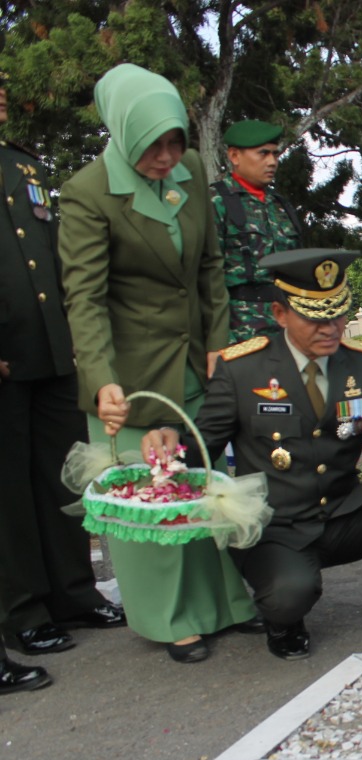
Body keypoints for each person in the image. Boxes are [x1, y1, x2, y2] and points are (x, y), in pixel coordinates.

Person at [142, 249, 362, 661]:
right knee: (289, 596)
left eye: (338, 315)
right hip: (277, 527)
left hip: (344, 515)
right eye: (315, 318)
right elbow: (203, 447)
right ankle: (284, 618)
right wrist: (171, 441)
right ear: (280, 314)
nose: (331, 329)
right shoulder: (242, 370)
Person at [60, 63, 257, 664]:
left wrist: (217, 339)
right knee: (150, 498)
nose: (167, 156)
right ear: (123, 132)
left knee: (198, 486)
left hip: (195, 363)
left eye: (174, 141)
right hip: (132, 374)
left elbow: (210, 266)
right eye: (153, 145)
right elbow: (85, 298)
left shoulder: (190, 169)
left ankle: (223, 604)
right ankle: (169, 618)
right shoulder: (88, 192)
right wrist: (102, 380)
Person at [0, 81, 126, 657]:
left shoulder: (23, 165)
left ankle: (73, 593)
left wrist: (76, 335)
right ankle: (21, 611)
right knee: (9, 492)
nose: (4, 94)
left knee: (61, 477)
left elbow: (53, 255)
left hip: (50, 348)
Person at [212, 119, 304, 344]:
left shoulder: (281, 205)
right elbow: (208, 278)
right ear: (235, 156)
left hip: (287, 327)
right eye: (263, 153)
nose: (272, 162)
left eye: (275, 154)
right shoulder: (216, 202)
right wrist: (219, 340)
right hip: (240, 331)